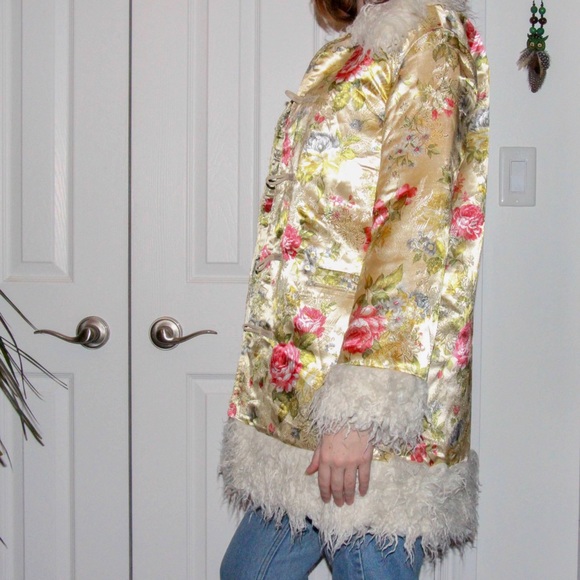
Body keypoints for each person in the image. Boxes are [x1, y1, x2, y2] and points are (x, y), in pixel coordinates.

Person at [220, 0, 489, 577]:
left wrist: (360, 413)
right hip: (308, 401)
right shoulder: (355, 48)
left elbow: (414, 228)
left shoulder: (426, 34)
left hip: (367, 409)